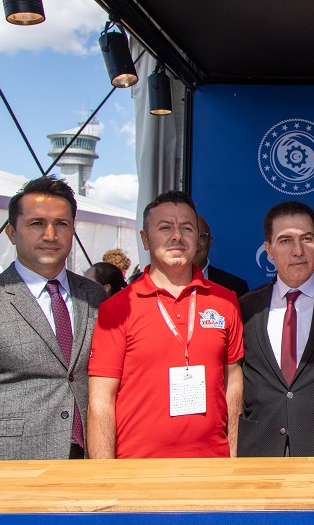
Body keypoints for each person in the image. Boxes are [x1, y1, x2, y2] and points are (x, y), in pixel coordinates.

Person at [0, 176, 106, 460]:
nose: (50, 235)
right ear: (12, 233)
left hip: (91, 461)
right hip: (16, 466)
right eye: (37, 223)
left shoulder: (93, 295)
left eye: (61, 224)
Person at [88, 191, 243, 458]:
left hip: (213, 466)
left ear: (198, 238)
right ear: (145, 239)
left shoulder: (226, 301)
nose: (177, 236)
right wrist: (105, 475)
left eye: (187, 228)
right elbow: (101, 401)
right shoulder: (117, 308)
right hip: (138, 469)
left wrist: (232, 456)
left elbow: (233, 384)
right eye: (165, 227)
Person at [237, 201, 314, 456]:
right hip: (259, 450)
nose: (298, 251)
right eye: (285, 241)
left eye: (306, 239)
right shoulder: (246, 307)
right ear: (269, 250)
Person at [194, 215, 249, 299]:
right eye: (189, 236)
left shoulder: (235, 287)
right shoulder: (170, 284)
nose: (194, 245)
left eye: (201, 236)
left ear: (209, 242)